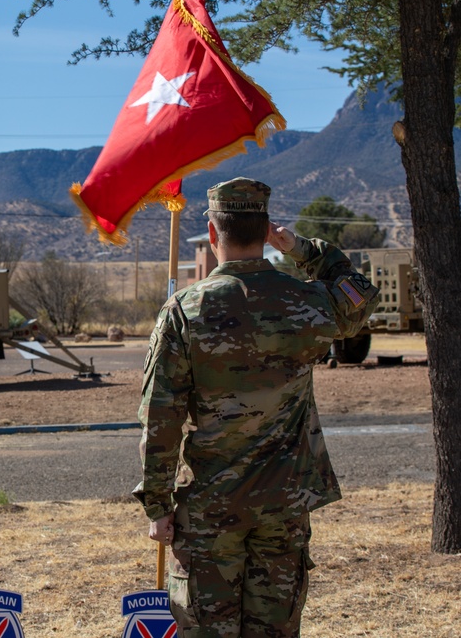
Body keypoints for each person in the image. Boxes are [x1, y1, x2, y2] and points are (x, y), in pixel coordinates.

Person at [133, 177, 380, 637]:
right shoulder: (307, 301)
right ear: (267, 230)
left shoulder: (184, 311)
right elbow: (360, 294)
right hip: (284, 508)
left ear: (212, 233)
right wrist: (305, 249)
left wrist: (157, 505)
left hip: (211, 509)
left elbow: (160, 416)